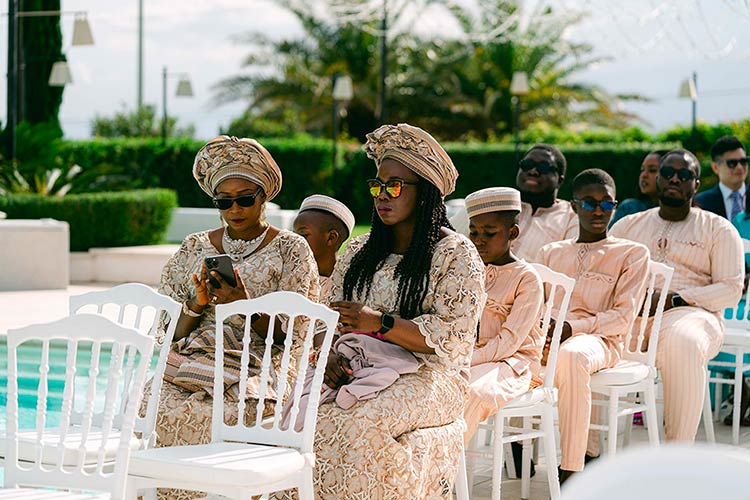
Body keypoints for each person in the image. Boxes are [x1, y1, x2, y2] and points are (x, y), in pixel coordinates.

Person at [289, 123, 485, 500]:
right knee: (298, 420)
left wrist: (378, 324)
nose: (382, 195)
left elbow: (453, 339)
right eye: (377, 185)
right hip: (356, 365)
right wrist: (326, 352)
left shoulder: (455, 254)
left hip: (431, 377)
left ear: (424, 191)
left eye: (394, 185)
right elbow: (329, 318)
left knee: (361, 425)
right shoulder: (360, 251)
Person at [152, 136, 320, 500]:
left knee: (232, 411)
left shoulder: (291, 250)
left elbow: (294, 334)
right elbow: (168, 331)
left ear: (264, 196)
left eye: (245, 198)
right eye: (223, 202)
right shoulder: (195, 246)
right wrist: (196, 305)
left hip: (262, 360)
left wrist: (245, 305)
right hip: (195, 356)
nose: (234, 209)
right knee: (153, 404)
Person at [610, 149, 744, 444]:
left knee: (683, 342)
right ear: (657, 179)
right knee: (590, 342)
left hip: (691, 315)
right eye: (667, 173)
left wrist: (676, 299)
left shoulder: (718, 229)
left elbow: (731, 289)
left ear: (696, 184)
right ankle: (585, 455)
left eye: (684, 175)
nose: (674, 179)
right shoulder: (627, 226)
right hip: (632, 314)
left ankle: (676, 451)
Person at [539, 168, 650, 484]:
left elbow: (623, 317)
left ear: (615, 206)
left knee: (572, 355)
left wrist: (572, 327)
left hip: (602, 341)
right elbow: (537, 305)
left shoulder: (631, 253)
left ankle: (573, 465)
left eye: (607, 203)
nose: (598, 210)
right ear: (574, 206)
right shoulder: (551, 252)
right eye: (589, 203)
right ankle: (517, 447)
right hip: (550, 339)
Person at [462, 187, 545, 443]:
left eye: (489, 233)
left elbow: (509, 343)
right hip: (471, 359)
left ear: (513, 233)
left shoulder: (527, 278)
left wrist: (465, 360)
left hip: (514, 365)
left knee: (472, 393)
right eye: (474, 232)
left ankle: (443, 474)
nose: (479, 240)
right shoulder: (468, 270)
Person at [450, 144, 577, 262]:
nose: (533, 171)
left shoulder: (570, 217)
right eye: (527, 164)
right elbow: (449, 236)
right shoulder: (494, 201)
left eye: (544, 167)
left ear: (560, 179)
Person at [293, 194, 355, 298]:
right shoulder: (291, 275)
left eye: (303, 234)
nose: (295, 240)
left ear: (331, 238)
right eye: (294, 234)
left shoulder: (349, 283)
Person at [695, 136, 748, 221]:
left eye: (743, 161)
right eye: (732, 163)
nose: (739, 167)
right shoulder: (701, 204)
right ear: (715, 167)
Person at [609, 150, 667, 226]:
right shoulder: (629, 208)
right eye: (642, 170)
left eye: (652, 170)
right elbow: (610, 236)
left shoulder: (680, 212)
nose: (644, 175)